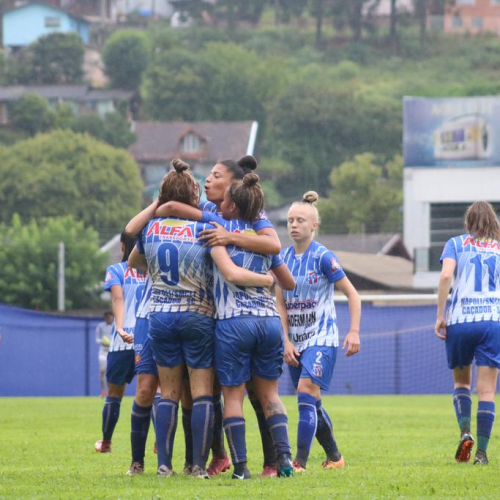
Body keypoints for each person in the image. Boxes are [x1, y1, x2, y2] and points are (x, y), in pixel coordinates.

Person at [127, 155, 285, 477]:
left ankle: (270, 461)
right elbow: (171, 209)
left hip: (223, 318)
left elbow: (273, 244)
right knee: (208, 393)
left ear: (234, 187)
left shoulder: (250, 214)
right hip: (214, 316)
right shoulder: (208, 215)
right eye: (206, 177)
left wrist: (228, 236)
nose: (208, 181)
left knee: (249, 393)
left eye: (215, 176)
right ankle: (215, 457)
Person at [279, 191, 361, 472]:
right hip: (296, 342)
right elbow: (279, 301)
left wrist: (354, 331)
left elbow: (353, 295)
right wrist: (285, 340)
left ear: (314, 225)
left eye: (300, 220)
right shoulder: (282, 258)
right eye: (290, 220)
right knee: (311, 401)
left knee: (304, 391)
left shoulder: (324, 257)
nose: (293, 225)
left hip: (322, 338)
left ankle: (298, 461)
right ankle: (335, 457)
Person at [435, 201, 500, 466]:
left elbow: (445, 276)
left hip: (460, 320)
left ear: (467, 223)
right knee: (487, 391)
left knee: (462, 383)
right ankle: (482, 454)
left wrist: (441, 315)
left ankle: (465, 432)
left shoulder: (455, 242)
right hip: (492, 321)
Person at [94, 232, 147, 453]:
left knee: (114, 394)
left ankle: (106, 442)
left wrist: (119, 327)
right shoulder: (152, 271)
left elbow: (117, 298)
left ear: (123, 246)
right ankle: (157, 444)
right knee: (158, 393)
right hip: (149, 339)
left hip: (122, 342)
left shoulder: (115, 270)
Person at [95, 311, 113, 397]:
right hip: (103, 351)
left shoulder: (116, 326)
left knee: (112, 372)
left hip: (113, 351)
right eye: (107, 317)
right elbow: (97, 339)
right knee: (102, 371)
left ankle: (112, 392)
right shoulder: (100, 326)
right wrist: (103, 341)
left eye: (110, 317)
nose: (109, 319)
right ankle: (103, 391)